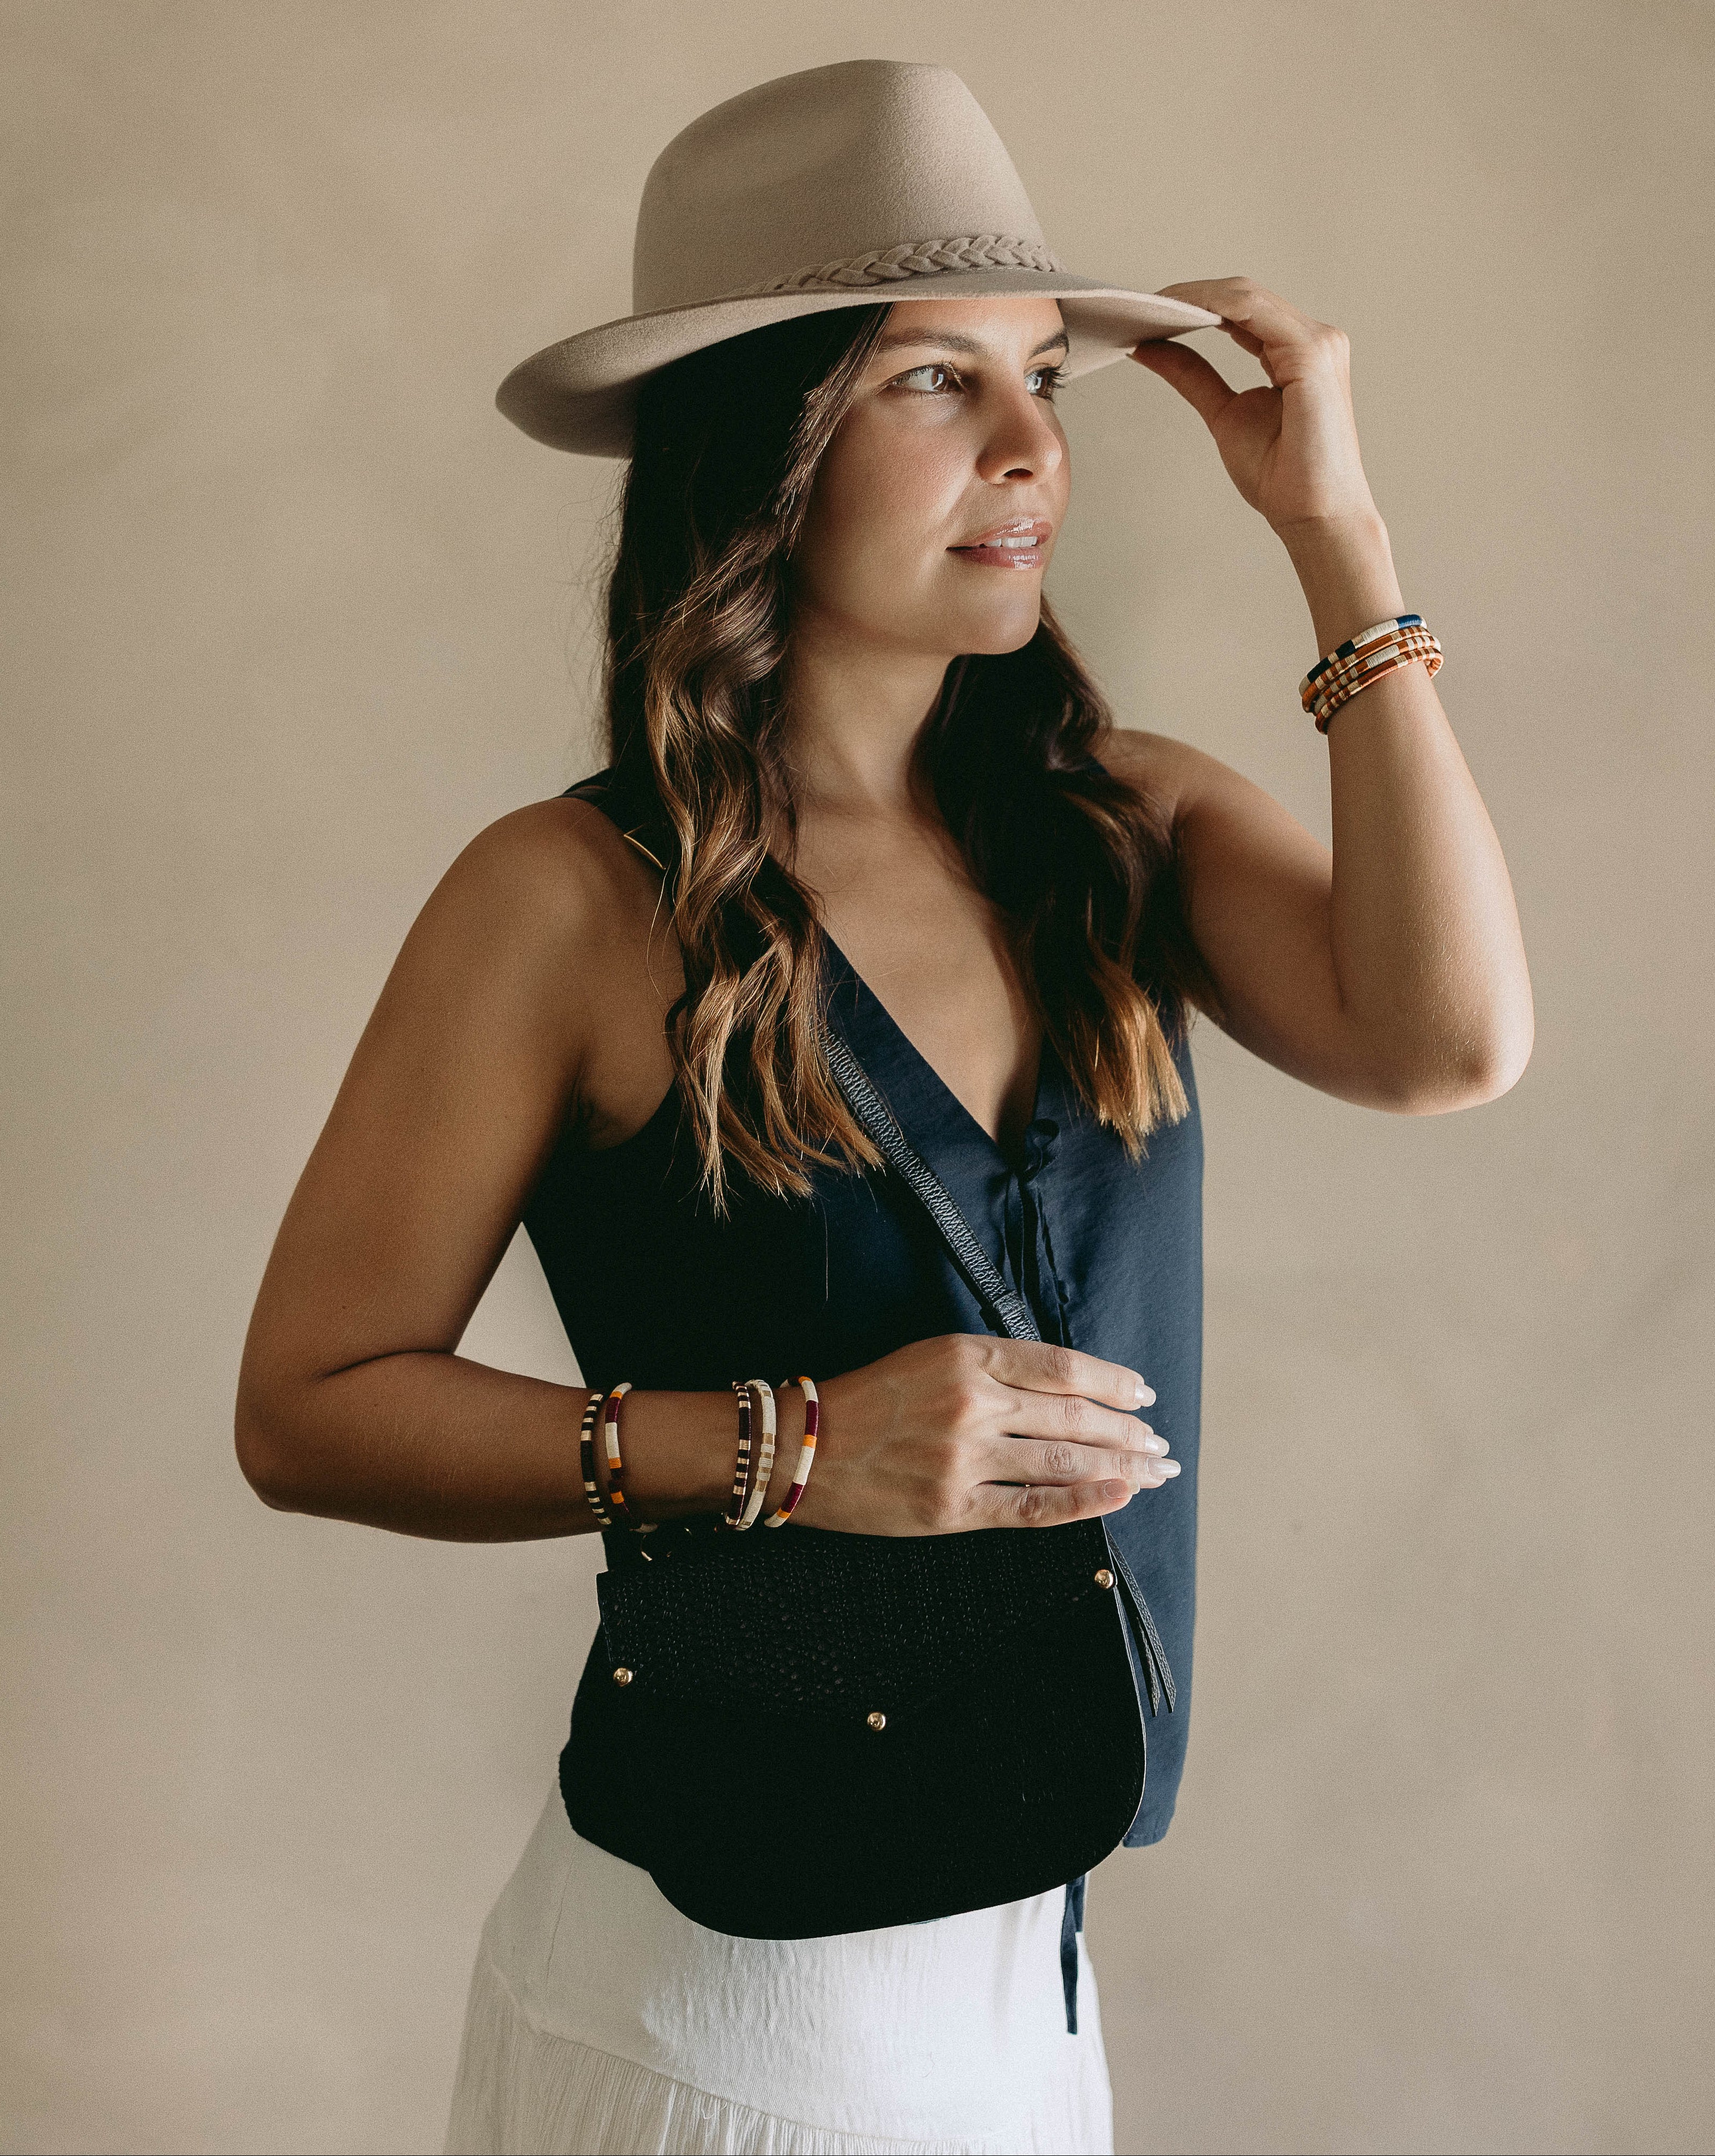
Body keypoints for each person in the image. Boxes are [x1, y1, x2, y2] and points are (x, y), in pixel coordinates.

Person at [234, 60, 1532, 2156]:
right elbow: (307, 1402)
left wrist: (1335, 537)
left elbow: (1446, 1040)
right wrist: (793, 1445)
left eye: (1043, 380)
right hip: (718, 2017)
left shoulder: (1123, 827)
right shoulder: (565, 902)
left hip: (1027, 2001)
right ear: (766, 440)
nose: (1033, 447)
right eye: (938, 382)